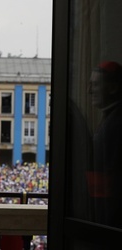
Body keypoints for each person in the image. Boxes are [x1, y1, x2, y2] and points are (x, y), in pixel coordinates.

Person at [87, 60, 122, 228]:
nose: (89, 91)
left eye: (95, 85)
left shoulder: (117, 122)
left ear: (113, 88)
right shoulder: (110, 117)